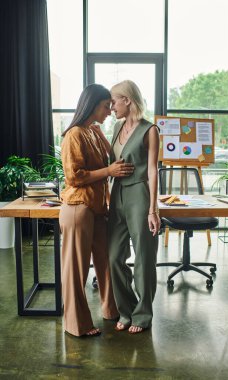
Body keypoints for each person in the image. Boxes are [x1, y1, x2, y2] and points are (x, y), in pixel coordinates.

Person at [59, 84, 134, 338]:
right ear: (92, 105)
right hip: (78, 207)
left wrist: (102, 138)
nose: (110, 110)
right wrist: (108, 172)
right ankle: (76, 325)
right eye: (106, 106)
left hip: (98, 208)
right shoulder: (74, 134)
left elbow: (111, 159)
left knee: (107, 261)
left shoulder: (93, 131)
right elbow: (74, 176)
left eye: (112, 105)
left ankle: (112, 311)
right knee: (76, 269)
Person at [108, 80, 161, 334]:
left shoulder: (150, 130)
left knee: (143, 258)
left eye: (114, 101)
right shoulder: (117, 127)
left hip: (139, 195)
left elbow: (152, 170)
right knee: (114, 257)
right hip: (116, 194)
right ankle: (126, 309)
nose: (111, 107)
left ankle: (143, 314)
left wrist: (153, 209)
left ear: (127, 100)